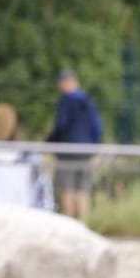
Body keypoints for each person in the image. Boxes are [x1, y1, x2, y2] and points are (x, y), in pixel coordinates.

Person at [47, 68, 103, 219]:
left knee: (67, 189)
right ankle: (84, 225)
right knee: (83, 190)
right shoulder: (88, 101)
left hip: (68, 151)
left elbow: (61, 125)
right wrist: (93, 146)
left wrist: (50, 142)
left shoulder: (66, 101)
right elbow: (97, 127)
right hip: (85, 151)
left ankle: (69, 224)